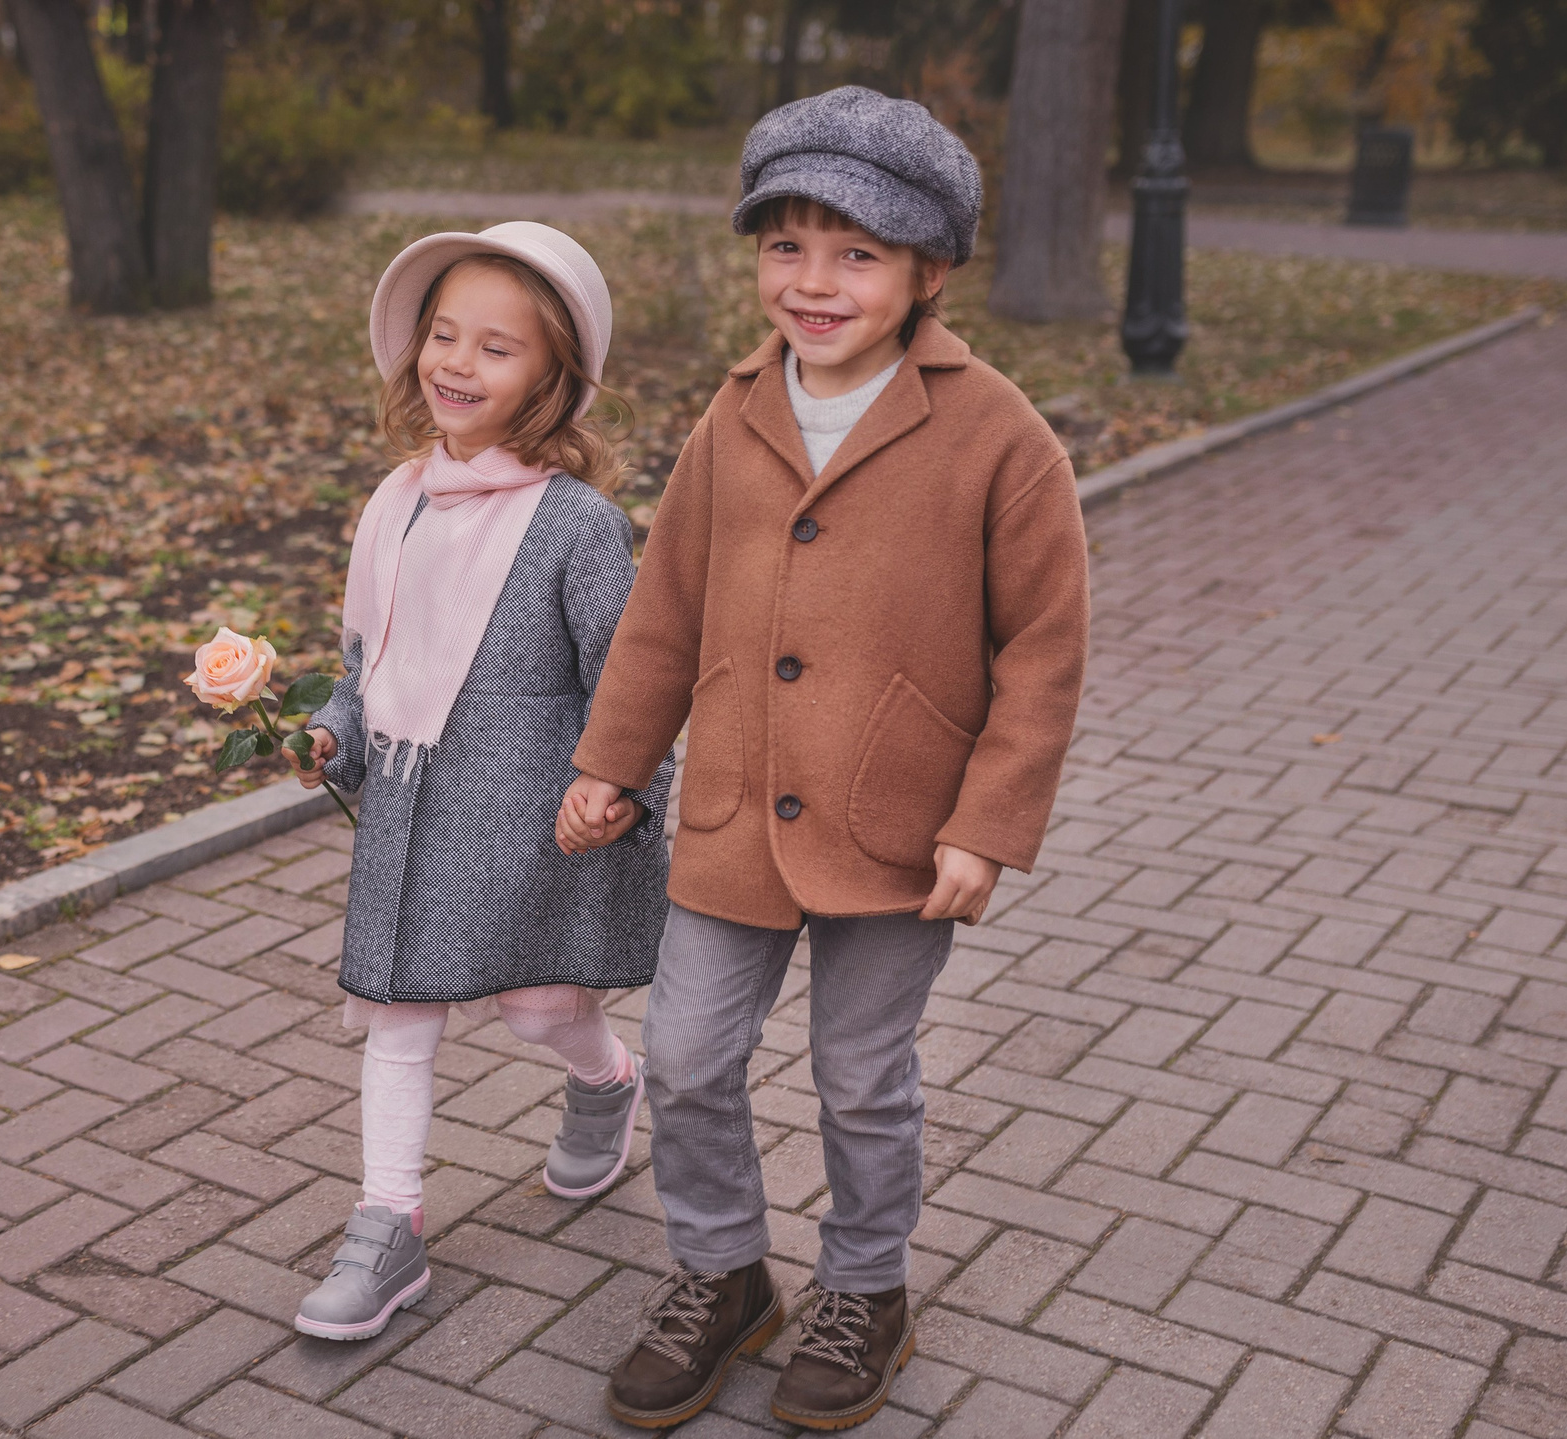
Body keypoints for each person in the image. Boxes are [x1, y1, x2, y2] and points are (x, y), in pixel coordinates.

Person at [558, 87, 1091, 1430]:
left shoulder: (997, 435)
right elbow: (665, 610)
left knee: (862, 1075)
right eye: (786, 243)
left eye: (856, 251)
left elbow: (1042, 647)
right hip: (736, 806)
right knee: (682, 1054)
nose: (814, 280)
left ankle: (866, 1286)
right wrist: (612, 760)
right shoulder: (732, 418)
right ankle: (725, 1269)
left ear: (928, 272)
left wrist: (989, 821)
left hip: (900, 823)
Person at [285, 221, 677, 1341]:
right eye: (443, 334)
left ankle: (603, 1079)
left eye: (496, 347)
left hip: (535, 820)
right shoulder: (393, 503)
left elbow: (632, 678)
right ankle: (388, 1220)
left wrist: (620, 784)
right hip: (415, 809)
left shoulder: (576, 528)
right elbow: (369, 664)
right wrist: (325, 731)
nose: (457, 362)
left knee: (540, 1005)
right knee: (396, 1011)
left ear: (553, 377)